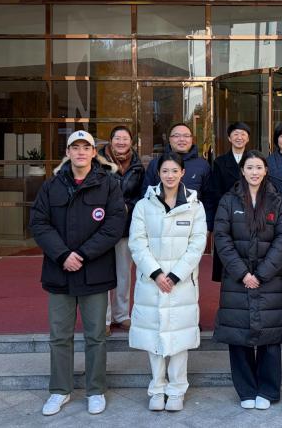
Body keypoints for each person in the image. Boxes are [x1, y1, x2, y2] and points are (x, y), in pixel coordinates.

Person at [30, 130, 125, 417]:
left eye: (86, 147)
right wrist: (63, 255)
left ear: (94, 153)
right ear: (68, 152)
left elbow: (114, 225)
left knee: (96, 335)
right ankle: (60, 389)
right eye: (76, 147)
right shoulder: (51, 186)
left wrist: (82, 254)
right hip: (59, 272)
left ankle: (96, 390)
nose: (81, 152)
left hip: (94, 271)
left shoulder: (108, 185)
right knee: (60, 335)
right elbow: (39, 223)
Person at [128, 152, 207, 412]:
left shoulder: (195, 206)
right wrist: (156, 274)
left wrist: (174, 276)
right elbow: (137, 243)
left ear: (183, 172)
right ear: (158, 173)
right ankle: (157, 387)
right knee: (154, 338)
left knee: (179, 339)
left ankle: (176, 389)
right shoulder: (143, 205)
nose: (170, 175)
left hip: (181, 283)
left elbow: (197, 244)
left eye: (174, 170)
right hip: (152, 282)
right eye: (165, 171)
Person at [213, 150, 282, 410]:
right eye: (250, 167)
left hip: (270, 280)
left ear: (266, 170)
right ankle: (246, 389)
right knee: (239, 335)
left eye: (259, 167)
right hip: (237, 280)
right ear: (242, 171)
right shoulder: (228, 200)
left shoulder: (277, 201)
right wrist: (243, 274)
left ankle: (268, 389)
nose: (254, 172)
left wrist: (262, 273)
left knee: (269, 336)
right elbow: (221, 239)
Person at [98, 126, 145, 336]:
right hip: (102, 226)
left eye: (125, 138)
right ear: (111, 140)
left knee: (124, 272)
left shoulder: (137, 165)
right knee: (102, 272)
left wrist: (129, 206)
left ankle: (121, 314)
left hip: (126, 225)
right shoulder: (97, 162)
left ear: (131, 142)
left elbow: (142, 195)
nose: (121, 142)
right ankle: (104, 318)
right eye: (117, 138)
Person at [142, 122, 215, 228]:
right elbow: (146, 195)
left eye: (186, 136)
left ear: (192, 139)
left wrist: (208, 226)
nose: (182, 139)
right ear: (169, 139)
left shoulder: (203, 165)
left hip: (193, 225)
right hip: (160, 224)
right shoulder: (156, 164)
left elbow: (209, 199)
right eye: (176, 136)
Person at [210, 121, 252, 282]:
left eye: (243, 134)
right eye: (235, 134)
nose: (239, 137)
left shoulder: (254, 160)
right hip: (228, 215)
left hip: (251, 213)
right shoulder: (219, 162)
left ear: (248, 138)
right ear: (229, 138)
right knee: (227, 256)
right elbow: (216, 191)